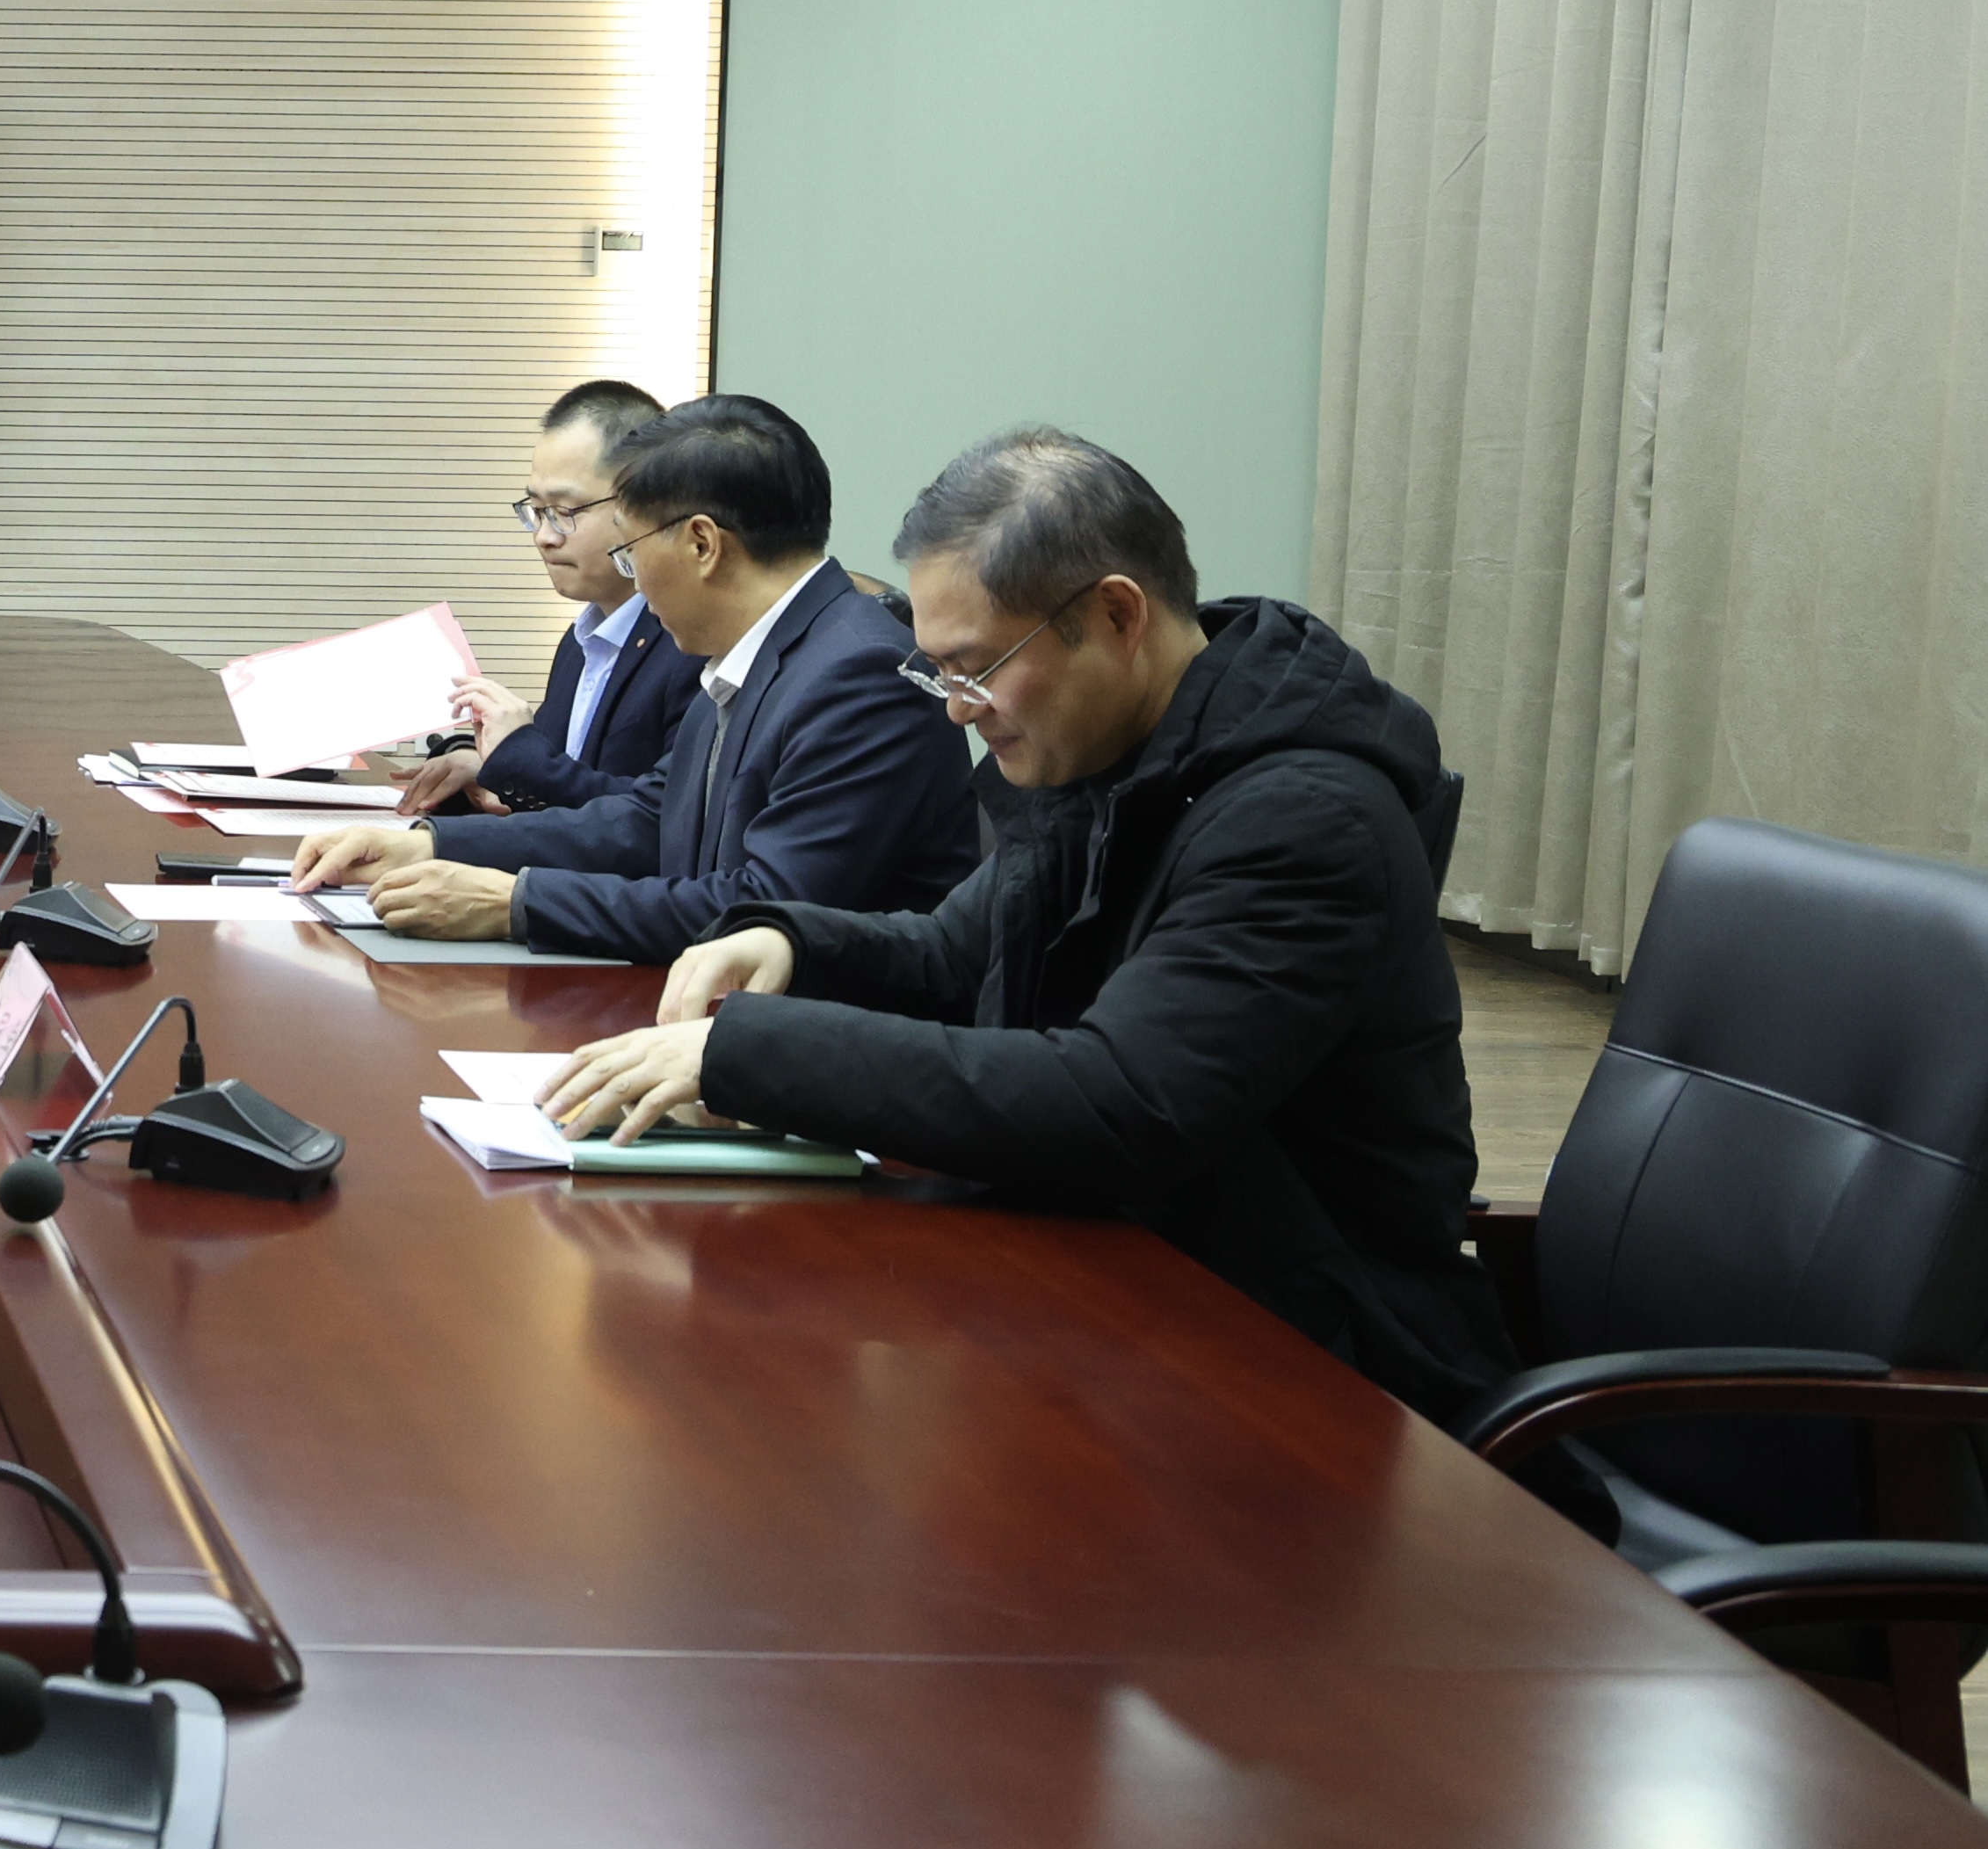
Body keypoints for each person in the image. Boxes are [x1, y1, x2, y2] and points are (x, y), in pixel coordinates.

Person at [542, 431, 1513, 1418]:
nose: (958, 712)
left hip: (1309, 1361)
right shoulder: (1110, 751)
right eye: (941, 673)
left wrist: (749, 1054)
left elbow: (1120, 1102)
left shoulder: (1302, 818)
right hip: (1126, 1284)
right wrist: (790, 941)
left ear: (1116, 616)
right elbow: (953, 957)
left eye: (976, 669)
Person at [291, 395, 975, 959]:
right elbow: (648, 822)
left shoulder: (861, 673)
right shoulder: (756, 651)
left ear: (702, 544)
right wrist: (429, 844)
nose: (635, 580)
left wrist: (516, 903)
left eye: (630, 552)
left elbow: (763, 908)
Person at [388, 378, 697, 817]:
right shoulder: (580, 640)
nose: (544, 537)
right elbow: (558, 790)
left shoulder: (691, 645)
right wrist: (485, 764)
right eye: (537, 510)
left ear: (642, 505)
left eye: (565, 512)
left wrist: (520, 756)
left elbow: (655, 818)